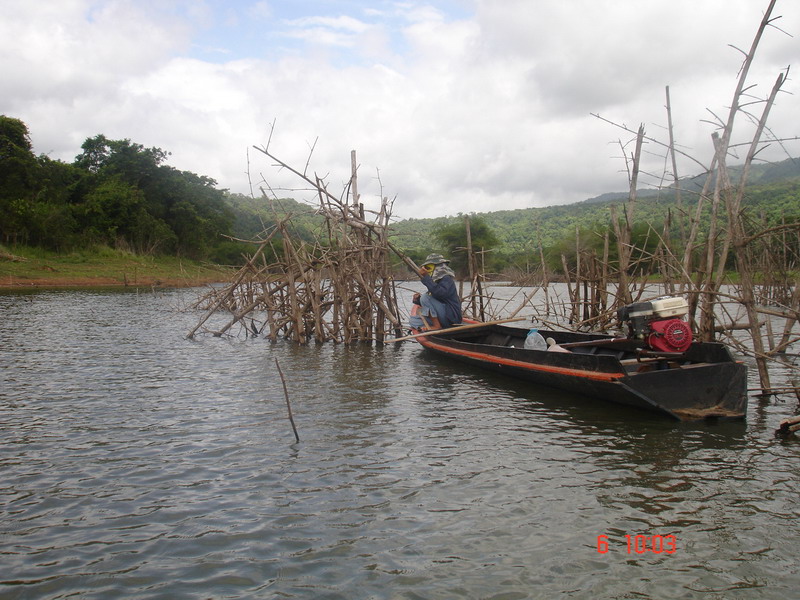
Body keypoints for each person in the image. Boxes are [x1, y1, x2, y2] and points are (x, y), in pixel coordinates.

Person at [410, 253, 462, 330]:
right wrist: (418, 300)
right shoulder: (435, 282)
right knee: (413, 320)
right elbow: (434, 300)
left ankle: (436, 326)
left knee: (425, 297)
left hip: (451, 317)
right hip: (443, 315)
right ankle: (431, 326)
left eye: (428, 268)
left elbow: (440, 294)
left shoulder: (446, 279)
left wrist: (427, 278)